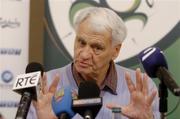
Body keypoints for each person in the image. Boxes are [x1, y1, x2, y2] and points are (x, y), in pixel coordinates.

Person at [28, 7, 160, 119]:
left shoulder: (142, 89)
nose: (84, 55)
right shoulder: (44, 88)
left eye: (97, 47)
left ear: (116, 51)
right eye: (81, 42)